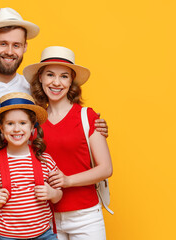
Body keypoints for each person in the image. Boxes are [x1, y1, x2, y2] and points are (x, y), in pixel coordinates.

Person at [0, 7, 107, 240]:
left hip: (23, 203)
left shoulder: (34, 90)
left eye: (16, 45)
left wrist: (93, 127)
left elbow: (60, 121)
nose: (9, 51)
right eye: (3, 43)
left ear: (25, 47)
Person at [23, 46, 113, 240]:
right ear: (40, 78)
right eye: (50, 75)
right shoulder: (32, 121)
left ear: (71, 80)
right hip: (44, 216)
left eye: (64, 76)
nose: (56, 82)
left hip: (86, 216)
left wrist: (68, 180)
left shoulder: (87, 116)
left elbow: (106, 168)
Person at [0, 92, 62, 240]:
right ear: (1, 127)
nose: (17, 129)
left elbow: (59, 195)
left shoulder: (45, 160)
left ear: (32, 125)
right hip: (7, 236)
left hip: (43, 234)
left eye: (23, 123)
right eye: (10, 123)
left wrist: (52, 193)